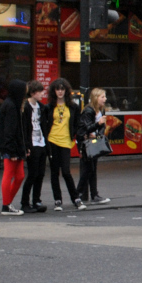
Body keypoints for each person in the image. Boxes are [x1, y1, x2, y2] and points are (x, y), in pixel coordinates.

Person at [46, 78, 83, 211]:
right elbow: (45, 124)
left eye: (62, 89)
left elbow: (77, 124)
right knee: (54, 172)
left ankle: (76, 198)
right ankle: (58, 200)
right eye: (57, 89)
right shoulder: (49, 107)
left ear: (66, 91)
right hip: (52, 141)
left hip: (66, 141)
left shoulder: (73, 107)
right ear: (54, 91)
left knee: (66, 171)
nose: (60, 92)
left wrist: (77, 137)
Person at [76, 87, 112, 206]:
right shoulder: (88, 111)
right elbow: (87, 128)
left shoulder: (101, 110)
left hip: (93, 142)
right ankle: (78, 194)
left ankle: (93, 195)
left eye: (105, 96)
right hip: (85, 143)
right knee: (88, 169)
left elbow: (101, 127)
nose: (105, 99)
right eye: (102, 97)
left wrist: (99, 135)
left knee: (92, 168)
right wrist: (99, 124)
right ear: (96, 98)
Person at [0, 80, 27, 216]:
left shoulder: (11, 104)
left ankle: (8, 203)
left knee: (19, 176)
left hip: (14, 146)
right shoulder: (11, 106)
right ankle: (6, 204)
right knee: (10, 174)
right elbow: (9, 131)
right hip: (11, 147)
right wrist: (12, 149)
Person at [19, 81, 49, 213]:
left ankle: (36, 200)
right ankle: (25, 202)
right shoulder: (25, 107)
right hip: (32, 143)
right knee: (32, 174)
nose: (43, 94)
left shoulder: (41, 107)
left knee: (41, 174)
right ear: (32, 93)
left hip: (41, 142)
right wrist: (26, 146)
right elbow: (24, 128)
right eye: (40, 91)